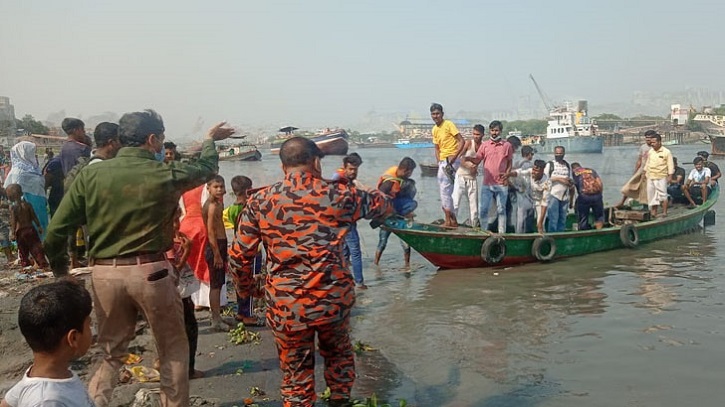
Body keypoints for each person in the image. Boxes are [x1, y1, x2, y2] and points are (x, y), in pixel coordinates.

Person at [44, 109, 234, 407]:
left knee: (111, 354)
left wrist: (61, 273)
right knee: (172, 350)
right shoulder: (164, 172)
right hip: (152, 273)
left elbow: (55, 231)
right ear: (152, 139)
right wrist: (210, 139)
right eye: (161, 137)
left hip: (105, 273)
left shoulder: (91, 174)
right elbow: (207, 167)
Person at [228, 137, 392, 407]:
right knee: (338, 357)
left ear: (283, 167)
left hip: (287, 306)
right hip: (332, 302)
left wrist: (248, 292)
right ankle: (340, 400)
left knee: (296, 377)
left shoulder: (260, 201)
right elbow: (384, 204)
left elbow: (239, 257)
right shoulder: (340, 195)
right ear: (316, 162)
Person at [0, 280, 94, 407]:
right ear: (73, 338)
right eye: (89, 324)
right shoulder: (46, 400)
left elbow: (6, 403)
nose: (92, 330)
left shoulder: (45, 377)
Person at [166, 207, 204, 380]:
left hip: (179, 293)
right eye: (174, 220)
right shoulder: (168, 243)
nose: (177, 224)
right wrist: (187, 250)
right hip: (176, 293)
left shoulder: (174, 238)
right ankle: (188, 370)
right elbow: (174, 272)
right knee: (189, 330)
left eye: (178, 219)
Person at [465, 120, 513, 233]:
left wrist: (507, 174)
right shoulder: (485, 145)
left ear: (500, 131)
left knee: (501, 210)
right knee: (483, 210)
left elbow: (510, 162)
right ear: (489, 131)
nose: (494, 133)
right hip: (487, 184)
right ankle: (483, 232)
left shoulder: (507, 145)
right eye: (492, 130)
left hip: (501, 184)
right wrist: (468, 158)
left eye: (496, 130)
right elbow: (477, 159)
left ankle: (502, 233)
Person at [226, 175, 263, 324]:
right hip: (251, 248)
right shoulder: (248, 209)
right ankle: (248, 314)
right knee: (251, 281)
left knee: (240, 281)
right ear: (248, 190)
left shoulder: (231, 209)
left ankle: (241, 312)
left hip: (237, 246)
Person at [331, 153, 367, 288]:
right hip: (344, 221)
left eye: (356, 169)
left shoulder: (348, 181)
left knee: (344, 251)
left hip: (346, 219)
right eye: (351, 169)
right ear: (345, 168)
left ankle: (344, 280)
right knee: (356, 251)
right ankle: (359, 282)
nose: (353, 172)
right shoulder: (337, 179)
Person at [373, 157, 417, 268]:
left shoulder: (404, 181)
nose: (410, 174)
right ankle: (376, 265)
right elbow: (379, 197)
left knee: (405, 243)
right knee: (383, 242)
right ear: (405, 170)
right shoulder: (389, 182)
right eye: (410, 172)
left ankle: (407, 266)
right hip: (388, 215)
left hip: (399, 213)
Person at [202, 175, 231, 332]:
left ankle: (217, 316)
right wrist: (217, 254)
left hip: (220, 244)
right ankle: (215, 320)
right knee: (215, 284)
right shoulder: (212, 206)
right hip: (215, 246)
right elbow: (211, 231)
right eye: (216, 187)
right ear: (208, 189)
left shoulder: (218, 203)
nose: (219, 189)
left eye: (221, 186)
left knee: (219, 283)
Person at [3, 142, 49, 240]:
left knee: (40, 226)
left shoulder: (34, 168)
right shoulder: (18, 172)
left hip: (38, 202)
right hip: (25, 204)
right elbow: (10, 190)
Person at [430, 103, 465, 227]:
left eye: (437, 113)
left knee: (445, 190)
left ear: (442, 114)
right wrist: (439, 161)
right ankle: (452, 219)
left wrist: (454, 157)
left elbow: (462, 141)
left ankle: (449, 221)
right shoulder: (434, 129)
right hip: (443, 162)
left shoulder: (448, 124)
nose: (436, 116)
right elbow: (436, 147)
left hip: (451, 160)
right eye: (433, 114)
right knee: (444, 190)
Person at [6, 183, 49, 269]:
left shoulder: (13, 208)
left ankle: (26, 264)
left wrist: (12, 233)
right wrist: (39, 226)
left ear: (10, 197)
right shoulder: (28, 205)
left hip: (20, 231)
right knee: (36, 247)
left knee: (23, 250)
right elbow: (34, 216)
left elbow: (14, 221)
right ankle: (42, 263)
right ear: (21, 193)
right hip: (30, 229)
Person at [506, 159, 550, 233]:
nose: (534, 172)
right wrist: (508, 174)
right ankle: (519, 234)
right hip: (529, 198)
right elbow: (518, 173)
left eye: (537, 171)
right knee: (521, 217)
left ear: (542, 170)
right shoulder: (530, 171)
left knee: (540, 223)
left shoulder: (547, 183)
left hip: (540, 202)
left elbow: (544, 204)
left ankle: (542, 236)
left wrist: (539, 223)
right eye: (534, 169)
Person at [452, 124, 483, 227]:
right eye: (474, 134)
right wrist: (469, 166)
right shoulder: (469, 143)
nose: (475, 136)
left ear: (482, 134)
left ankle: (475, 227)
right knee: (455, 203)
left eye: (478, 134)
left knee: (474, 207)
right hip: (461, 176)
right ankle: (451, 224)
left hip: (472, 179)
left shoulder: (483, 146)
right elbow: (460, 158)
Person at [617, 131, 655, 207]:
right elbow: (639, 160)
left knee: (646, 190)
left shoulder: (656, 148)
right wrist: (635, 171)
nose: (648, 140)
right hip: (641, 170)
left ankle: (647, 207)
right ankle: (622, 202)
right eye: (646, 138)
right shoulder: (643, 147)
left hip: (651, 171)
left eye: (649, 138)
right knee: (629, 186)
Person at [543, 146, 574, 232]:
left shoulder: (567, 165)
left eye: (560, 153)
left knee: (563, 219)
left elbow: (570, 179)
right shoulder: (550, 165)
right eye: (557, 153)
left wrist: (569, 182)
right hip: (553, 195)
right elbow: (545, 179)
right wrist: (559, 179)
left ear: (564, 154)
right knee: (553, 219)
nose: (558, 155)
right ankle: (552, 237)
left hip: (565, 196)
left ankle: (560, 236)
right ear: (554, 154)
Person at [644, 133, 674, 218]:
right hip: (650, 176)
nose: (652, 144)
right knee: (652, 196)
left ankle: (664, 212)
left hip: (661, 176)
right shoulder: (651, 151)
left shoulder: (666, 152)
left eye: (654, 142)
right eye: (651, 142)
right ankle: (654, 212)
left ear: (659, 142)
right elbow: (648, 163)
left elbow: (670, 165)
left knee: (662, 195)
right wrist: (644, 173)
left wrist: (670, 176)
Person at [570, 163, 605, 230]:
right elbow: (599, 182)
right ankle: (599, 231)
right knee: (599, 216)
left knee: (583, 217)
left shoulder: (575, 173)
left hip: (584, 197)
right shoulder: (591, 170)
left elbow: (572, 188)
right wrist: (600, 195)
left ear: (572, 169)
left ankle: (584, 231)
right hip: (597, 196)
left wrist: (571, 202)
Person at [0, 185, 15, 264]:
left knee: (10, 234)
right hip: (2, 220)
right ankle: (9, 256)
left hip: (8, 217)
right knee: (3, 236)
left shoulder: (4, 192)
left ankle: (11, 255)